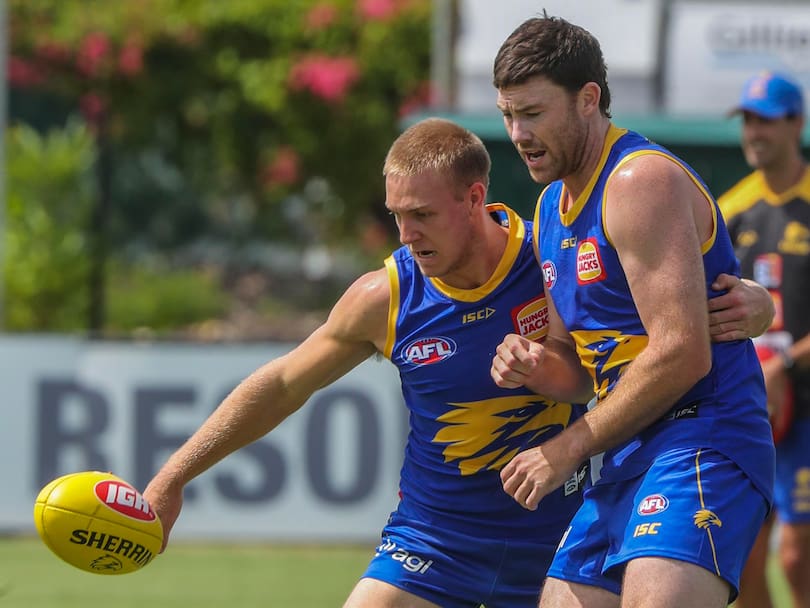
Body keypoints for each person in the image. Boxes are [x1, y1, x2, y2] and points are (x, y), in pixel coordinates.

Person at [143, 118, 771, 608]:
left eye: (422, 215)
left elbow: (658, 323)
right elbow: (281, 384)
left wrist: (755, 303)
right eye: (396, 216)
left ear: (474, 198)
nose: (406, 235)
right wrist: (173, 478)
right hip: (432, 538)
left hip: (552, 534)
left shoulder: (551, 254)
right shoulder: (385, 297)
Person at [489, 14, 776, 608]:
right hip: (623, 454)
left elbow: (681, 353)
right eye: (507, 115)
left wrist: (565, 449)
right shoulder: (548, 209)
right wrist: (536, 366)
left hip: (702, 438)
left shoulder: (638, 180)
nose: (518, 133)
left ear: (588, 99)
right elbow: (576, 364)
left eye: (534, 113)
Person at [718, 71, 810, 608]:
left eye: (767, 121)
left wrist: (786, 366)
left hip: (807, 411)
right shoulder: (730, 209)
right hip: (749, 410)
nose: (755, 132)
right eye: (748, 120)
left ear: (796, 124)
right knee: (745, 557)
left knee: (797, 558)